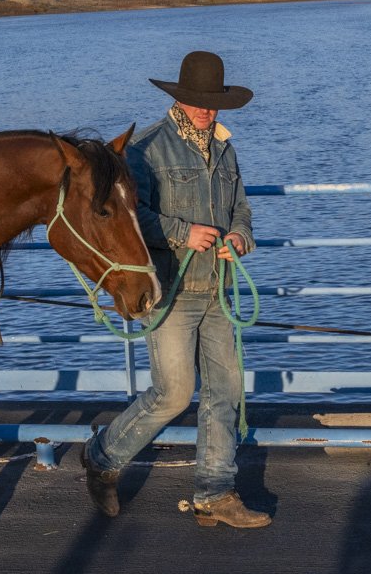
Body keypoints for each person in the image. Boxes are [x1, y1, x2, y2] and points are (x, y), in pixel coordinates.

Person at [81, 50, 271, 528]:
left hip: (218, 292)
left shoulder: (225, 149)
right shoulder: (144, 150)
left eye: (213, 103)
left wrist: (240, 238)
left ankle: (216, 492)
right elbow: (127, 220)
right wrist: (181, 233)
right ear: (179, 100)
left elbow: (241, 210)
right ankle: (102, 457)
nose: (207, 111)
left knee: (226, 391)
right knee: (173, 394)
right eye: (198, 102)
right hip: (169, 292)